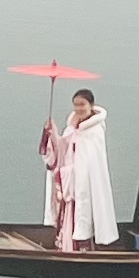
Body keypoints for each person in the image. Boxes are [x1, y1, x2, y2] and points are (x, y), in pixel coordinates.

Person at [52, 87, 119, 251]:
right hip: (72, 181)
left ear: (91, 105)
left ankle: (85, 247)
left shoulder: (95, 130)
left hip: (88, 181)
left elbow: (93, 161)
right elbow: (62, 148)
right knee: (71, 214)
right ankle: (68, 244)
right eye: (75, 105)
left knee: (86, 212)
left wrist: (80, 176)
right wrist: (51, 132)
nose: (78, 109)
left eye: (82, 104)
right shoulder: (72, 129)